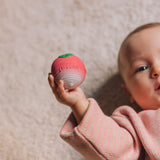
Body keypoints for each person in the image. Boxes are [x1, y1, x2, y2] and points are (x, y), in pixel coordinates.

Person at [48, 23, 160, 160]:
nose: (156, 70)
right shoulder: (137, 126)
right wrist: (79, 103)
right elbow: (114, 149)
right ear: (129, 92)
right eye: (142, 68)